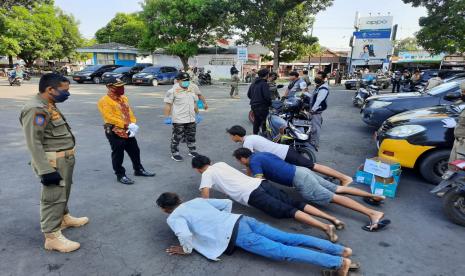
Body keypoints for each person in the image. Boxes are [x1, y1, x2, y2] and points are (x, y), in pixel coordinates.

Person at [156, 193, 354, 276]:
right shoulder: (195, 201)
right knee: (289, 238)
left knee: (284, 251)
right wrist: (221, 221)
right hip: (242, 220)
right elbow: (225, 204)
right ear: (179, 198)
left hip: (237, 234)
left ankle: (338, 263)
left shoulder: (173, 217)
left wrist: (185, 249)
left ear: (166, 209)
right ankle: (341, 250)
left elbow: (184, 234)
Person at [233, 148, 391, 232]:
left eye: (240, 162)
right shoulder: (261, 154)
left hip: (300, 180)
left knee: (333, 196)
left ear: (242, 159)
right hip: (302, 171)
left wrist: (248, 172)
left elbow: (259, 181)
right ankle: (375, 196)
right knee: (338, 188)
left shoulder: (253, 162)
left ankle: (372, 213)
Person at [192, 155, 342, 242]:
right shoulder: (220, 164)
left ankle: (325, 227)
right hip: (260, 183)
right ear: (209, 162)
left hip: (252, 194)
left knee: (289, 211)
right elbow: (228, 180)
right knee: (295, 203)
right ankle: (332, 219)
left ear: (198, 169)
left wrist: (205, 209)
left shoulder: (206, 174)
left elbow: (205, 195)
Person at [20, 73, 88, 252]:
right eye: (64, 90)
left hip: (63, 157)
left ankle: (63, 218)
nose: (67, 94)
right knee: (53, 197)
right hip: (52, 161)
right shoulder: (36, 109)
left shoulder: (49, 104)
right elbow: (33, 142)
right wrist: (45, 170)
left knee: (63, 191)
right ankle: (52, 237)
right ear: (50, 89)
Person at [226, 125, 354, 186]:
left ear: (237, 135)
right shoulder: (252, 136)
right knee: (308, 169)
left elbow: (249, 162)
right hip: (284, 152)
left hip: (285, 154)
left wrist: (247, 180)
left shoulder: (248, 142)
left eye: (231, 136)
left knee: (313, 166)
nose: (231, 138)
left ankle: (344, 178)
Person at [97, 78, 155, 185]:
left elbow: (129, 112)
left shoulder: (123, 98)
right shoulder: (104, 101)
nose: (121, 88)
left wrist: (132, 123)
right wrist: (126, 124)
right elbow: (109, 117)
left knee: (135, 150)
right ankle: (120, 174)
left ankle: (138, 169)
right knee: (118, 153)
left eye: (122, 85)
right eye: (118, 86)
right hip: (114, 130)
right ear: (109, 87)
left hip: (128, 128)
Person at [163, 72, 201, 161]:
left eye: (187, 80)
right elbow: (168, 105)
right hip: (179, 119)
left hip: (191, 118)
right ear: (178, 80)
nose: (186, 82)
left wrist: (197, 114)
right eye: (184, 80)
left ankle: (192, 151)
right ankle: (175, 153)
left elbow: (195, 103)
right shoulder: (172, 91)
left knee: (191, 136)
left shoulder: (191, 90)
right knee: (177, 137)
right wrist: (167, 117)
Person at [442, 82, 465, 162]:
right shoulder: (462, 102)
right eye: (462, 92)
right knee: (453, 165)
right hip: (459, 141)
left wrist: (455, 125)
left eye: (464, 92)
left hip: (463, 144)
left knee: (460, 168)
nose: (462, 94)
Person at [247, 68, 272, 135]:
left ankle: (255, 135)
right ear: (267, 75)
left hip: (254, 105)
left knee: (256, 121)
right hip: (262, 106)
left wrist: (255, 99)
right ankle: (264, 136)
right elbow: (267, 97)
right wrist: (270, 104)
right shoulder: (264, 84)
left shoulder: (253, 83)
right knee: (264, 122)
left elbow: (249, 94)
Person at [310, 71, 330, 149]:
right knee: (313, 126)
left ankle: (315, 144)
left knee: (315, 127)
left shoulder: (323, 88)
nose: (317, 78)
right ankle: (312, 141)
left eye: (319, 77)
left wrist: (313, 109)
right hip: (314, 109)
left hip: (316, 110)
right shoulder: (318, 86)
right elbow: (313, 97)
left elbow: (319, 100)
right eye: (316, 76)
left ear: (324, 78)